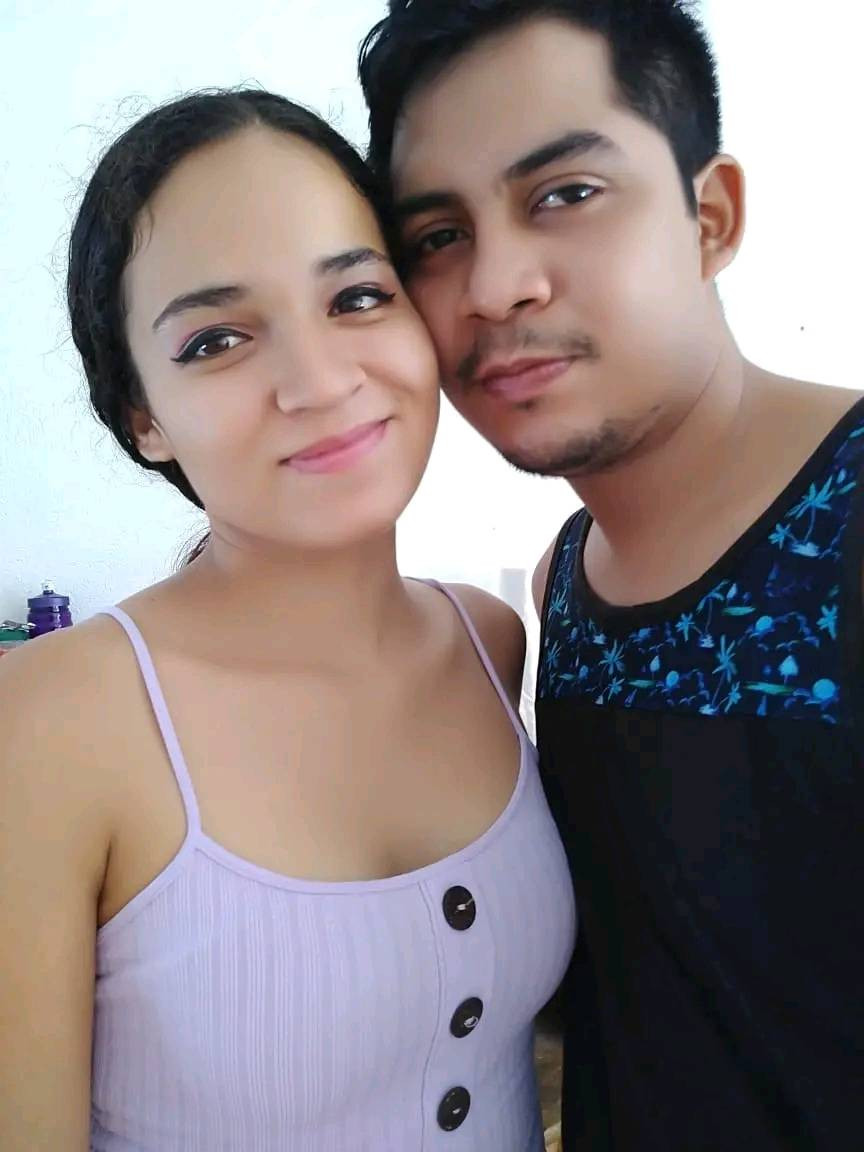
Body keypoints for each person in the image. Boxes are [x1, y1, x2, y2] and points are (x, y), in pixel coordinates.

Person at [0, 89, 576, 1152]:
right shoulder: (50, 723)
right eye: (216, 340)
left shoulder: (491, 641)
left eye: (357, 296)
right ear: (142, 415)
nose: (317, 381)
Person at [358, 2, 864, 1149]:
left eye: (566, 193)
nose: (494, 285)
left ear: (709, 217)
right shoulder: (565, 586)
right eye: (437, 235)